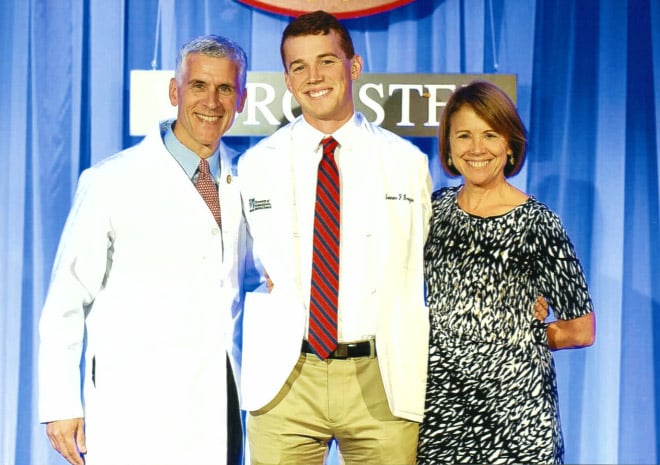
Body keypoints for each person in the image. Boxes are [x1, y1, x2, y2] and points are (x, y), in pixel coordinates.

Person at [38, 34, 255, 465]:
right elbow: (66, 299)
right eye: (198, 85)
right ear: (175, 91)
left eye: (225, 89)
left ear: (242, 100)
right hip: (134, 408)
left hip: (217, 405)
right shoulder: (110, 181)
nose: (211, 102)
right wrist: (61, 403)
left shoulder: (249, 178)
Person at [237, 10, 432, 465]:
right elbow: (234, 265)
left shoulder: (405, 162)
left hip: (381, 377)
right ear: (288, 81)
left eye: (326, 61)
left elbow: (428, 257)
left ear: (354, 66)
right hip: (285, 379)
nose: (314, 77)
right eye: (299, 67)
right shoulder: (257, 165)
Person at [416, 80, 596, 465]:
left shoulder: (539, 223)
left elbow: (581, 330)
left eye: (490, 135)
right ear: (448, 146)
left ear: (510, 145)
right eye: (464, 135)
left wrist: (516, 334)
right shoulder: (435, 210)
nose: (476, 148)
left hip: (518, 421)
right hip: (442, 417)